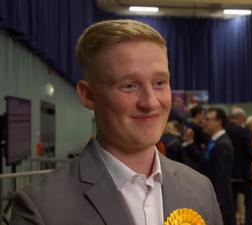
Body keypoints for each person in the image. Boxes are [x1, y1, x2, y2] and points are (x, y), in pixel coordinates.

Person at [10, 19, 223, 225]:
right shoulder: (42, 208)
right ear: (89, 95)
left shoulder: (201, 189)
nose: (150, 102)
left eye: (159, 83)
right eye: (129, 85)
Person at [225, 107, 252, 225]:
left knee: (231, 203)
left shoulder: (224, 130)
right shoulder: (244, 131)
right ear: (240, 117)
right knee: (249, 203)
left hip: (229, 173)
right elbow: (250, 154)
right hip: (244, 174)